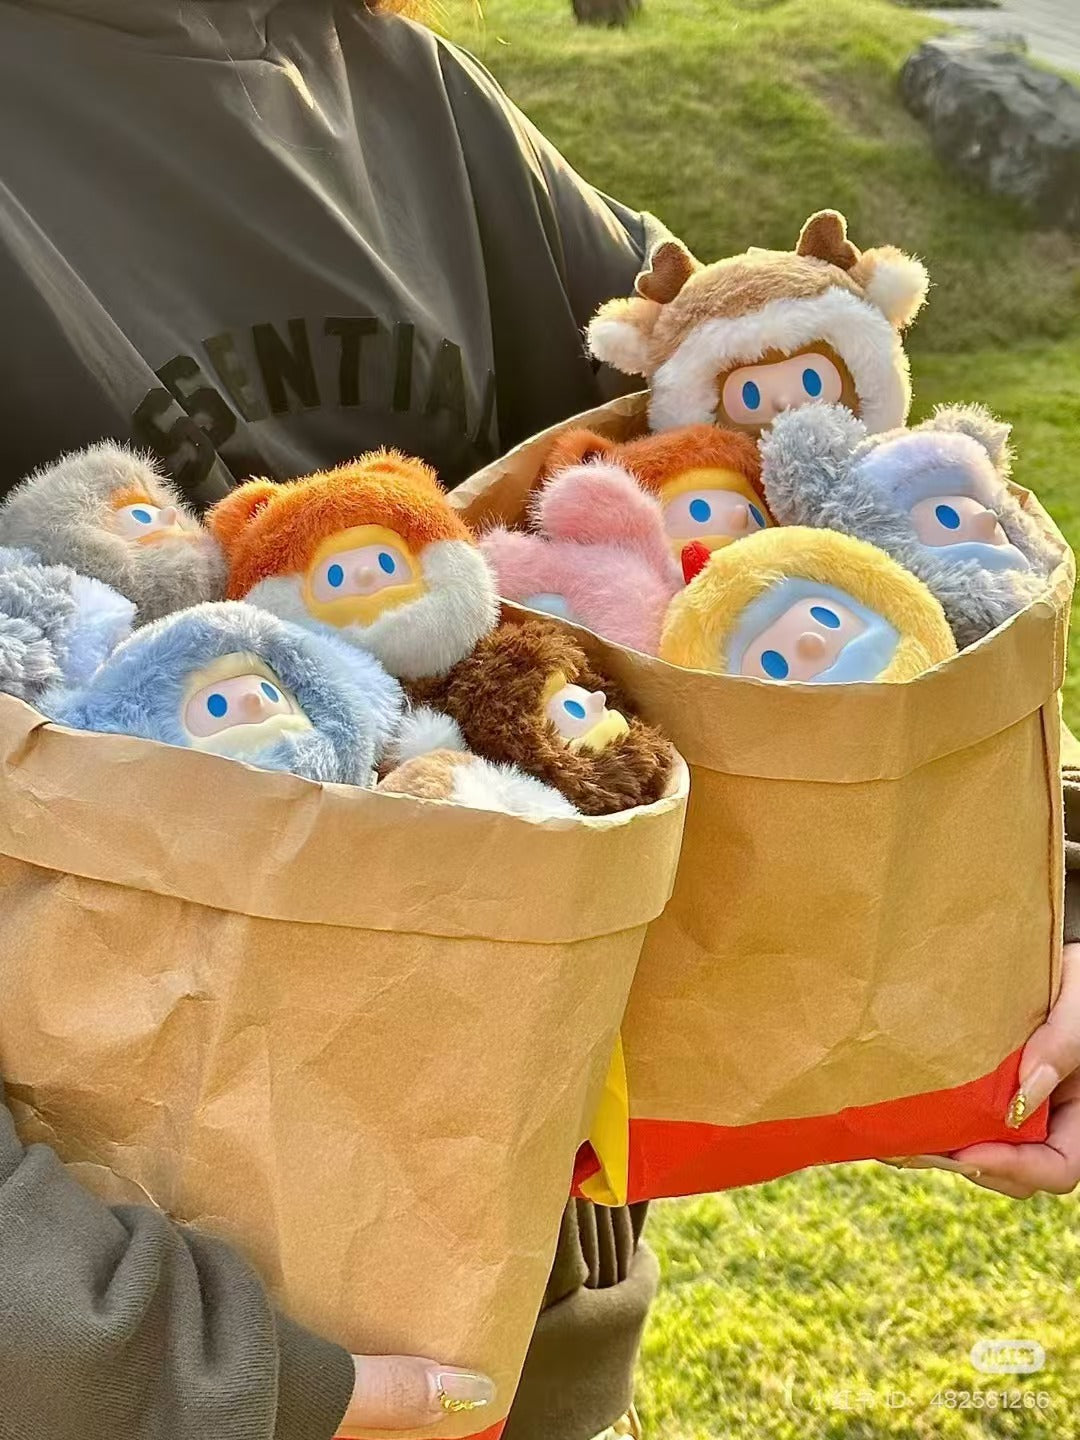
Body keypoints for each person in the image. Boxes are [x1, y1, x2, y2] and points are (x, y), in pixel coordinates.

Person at [0, 2, 1077, 1439]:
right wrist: (110, 1347)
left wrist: (1036, 891)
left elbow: (776, 487)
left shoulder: (392, 88)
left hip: (525, 1312)